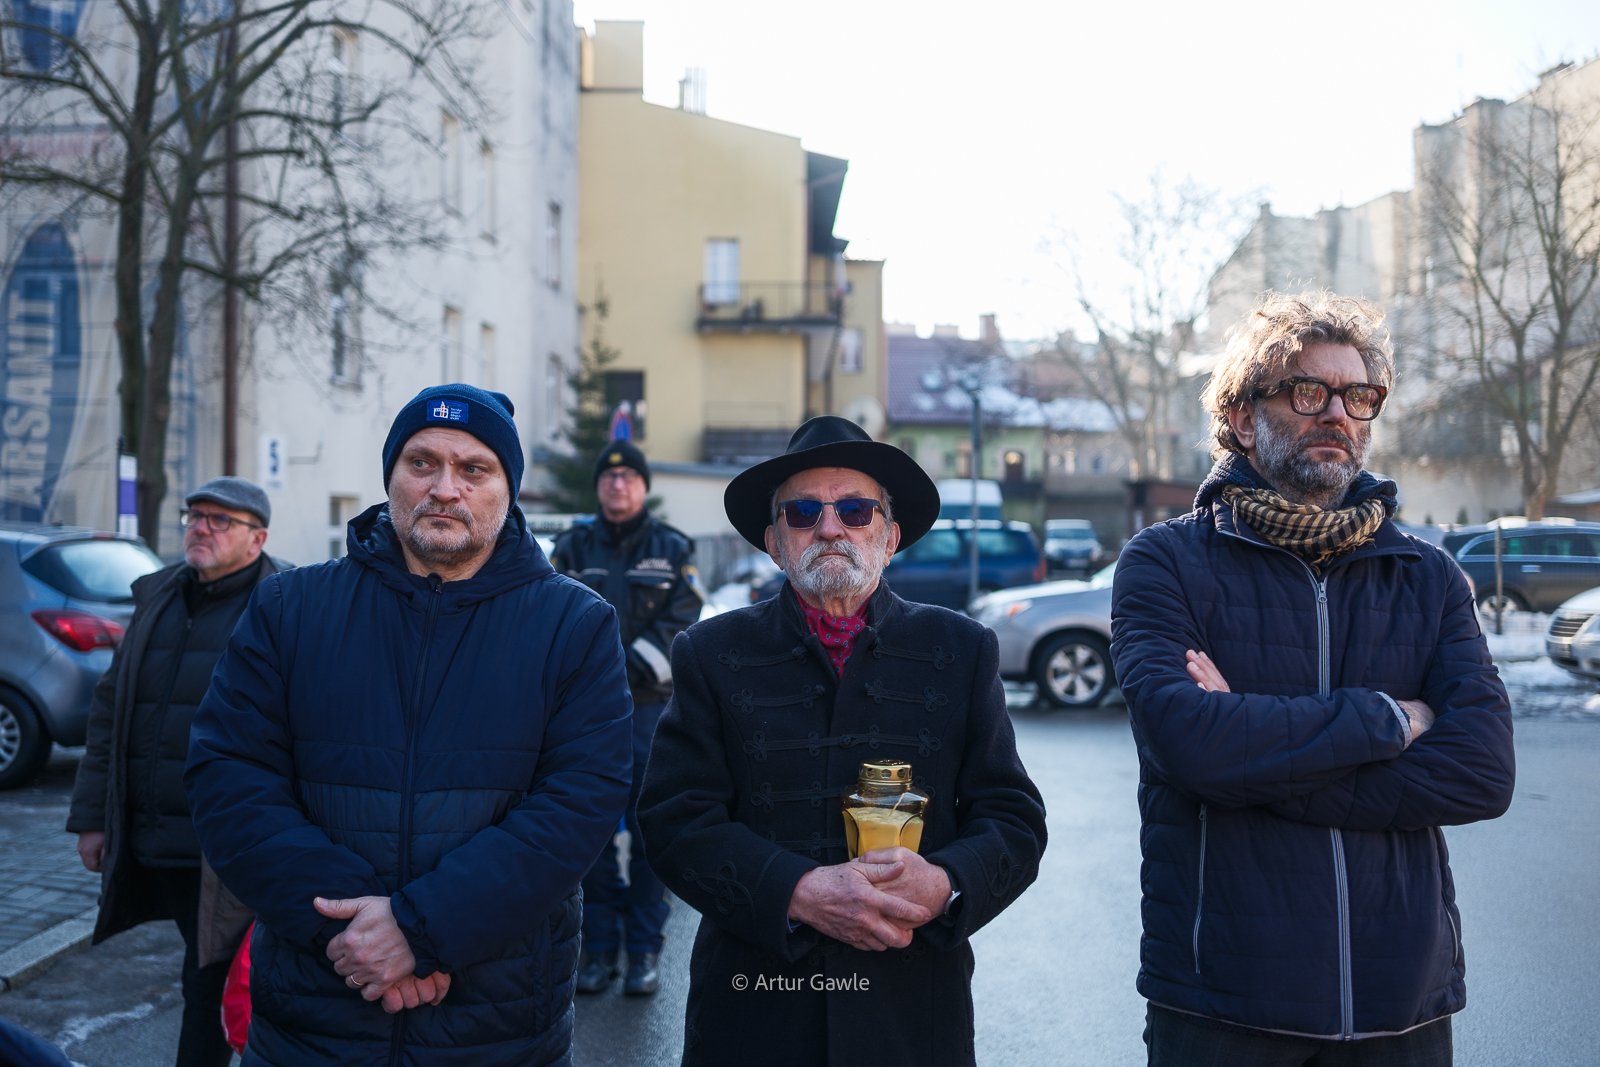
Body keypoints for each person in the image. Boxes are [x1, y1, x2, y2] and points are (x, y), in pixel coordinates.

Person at [1110, 291, 1515, 1065]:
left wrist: (1252, 758)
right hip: (1224, 1002)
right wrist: (1387, 721)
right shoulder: (1165, 562)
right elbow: (1188, 746)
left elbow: (1483, 772)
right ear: (1241, 417)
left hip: (1400, 1006)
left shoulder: (1427, 574)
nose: (1337, 412)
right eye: (1308, 391)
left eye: (1358, 395)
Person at [184, 383, 633, 1066]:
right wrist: (359, 934)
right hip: (312, 1017)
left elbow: (581, 802)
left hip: (497, 1028)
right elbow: (229, 776)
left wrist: (423, 929)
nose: (445, 488)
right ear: (391, 475)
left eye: (474, 469)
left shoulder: (575, 625)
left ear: (508, 489)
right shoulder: (290, 608)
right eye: (422, 463)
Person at [637, 415, 1047, 1066]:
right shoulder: (710, 653)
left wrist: (945, 882)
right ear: (775, 543)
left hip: (911, 1014)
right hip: (752, 1012)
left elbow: (1014, 818)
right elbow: (673, 820)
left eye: (855, 510)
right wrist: (798, 891)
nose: (830, 528)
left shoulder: (961, 649)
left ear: (890, 536)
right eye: (803, 512)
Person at [67, 476, 282, 1067]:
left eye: (220, 520)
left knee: (210, 986)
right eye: (195, 516)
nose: (201, 528)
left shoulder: (281, 603)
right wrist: (93, 818)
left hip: (225, 848)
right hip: (154, 835)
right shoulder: (159, 595)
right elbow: (111, 708)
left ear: (257, 538)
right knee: (206, 979)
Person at [550, 439, 701, 997]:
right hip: (585, 718)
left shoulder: (672, 548)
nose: (618, 484)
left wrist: (613, 669)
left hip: (647, 713)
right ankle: (596, 949)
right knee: (586, 832)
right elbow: (552, 614)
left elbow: (682, 621)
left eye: (629, 477)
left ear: (643, 487)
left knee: (648, 835)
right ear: (598, 486)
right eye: (609, 477)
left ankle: (642, 952)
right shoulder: (571, 548)